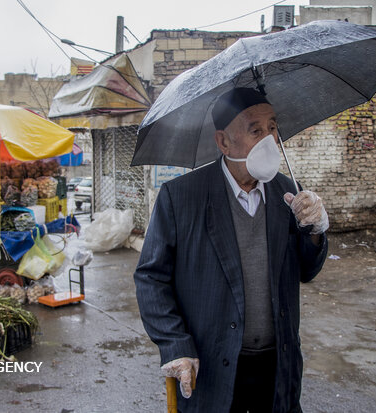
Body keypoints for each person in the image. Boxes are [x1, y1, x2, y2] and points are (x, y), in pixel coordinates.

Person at [134, 87, 329, 413]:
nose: (269, 140)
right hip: (212, 368)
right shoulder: (181, 197)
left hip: (277, 365)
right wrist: (175, 344)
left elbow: (307, 270)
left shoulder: (288, 193)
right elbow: (152, 278)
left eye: (272, 128)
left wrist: (316, 229)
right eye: (256, 130)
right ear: (224, 142)